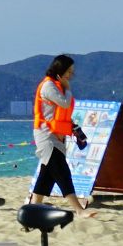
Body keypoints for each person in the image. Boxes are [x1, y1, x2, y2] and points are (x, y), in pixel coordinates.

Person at [30, 55, 88, 208]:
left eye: (72, 72)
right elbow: (64, 103)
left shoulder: (57, 86)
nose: (70, 75)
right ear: (59, 70)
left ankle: (32, 208)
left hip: (58, 135)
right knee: (62, 171)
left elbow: (62, 111)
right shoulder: (48, 86)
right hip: (46, 135)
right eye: (68, 71)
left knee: (46, 176)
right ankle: (78, 209)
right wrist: (68, 88)